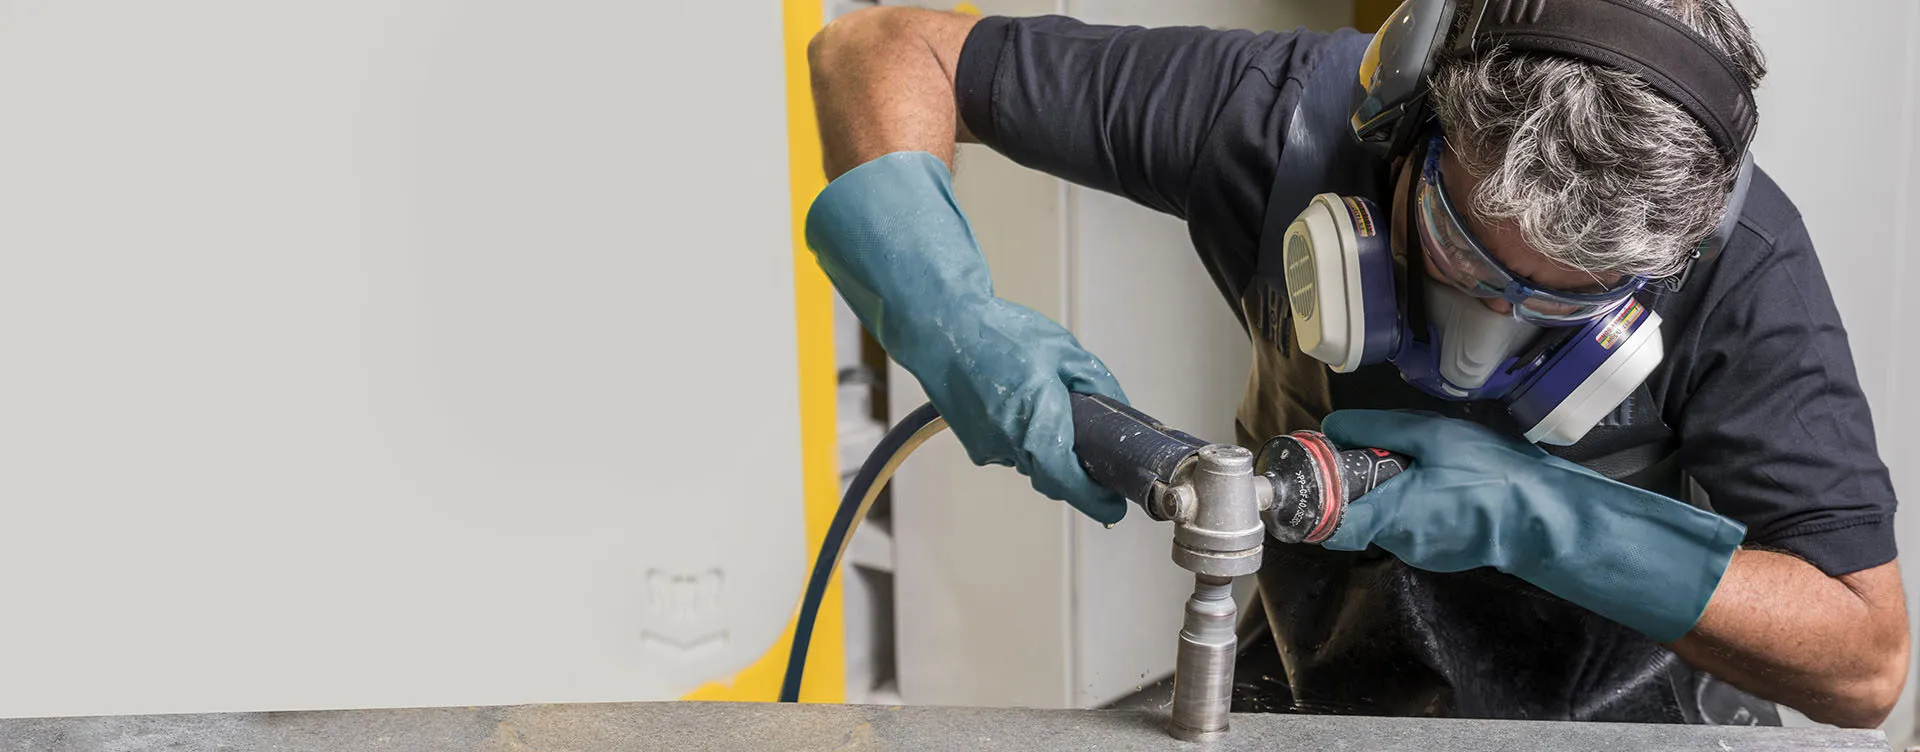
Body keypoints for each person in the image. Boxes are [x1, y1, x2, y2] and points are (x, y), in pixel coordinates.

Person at [802, 0, 1908, 728]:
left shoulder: (1739, 263)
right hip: (1320, 677)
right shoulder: (1276, 119)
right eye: (1464, 253)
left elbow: (1865, 659)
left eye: (1559, 304)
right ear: (1409, 120)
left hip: (1631, 711)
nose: (1487, 339)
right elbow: (880, 48)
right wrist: (954, 316)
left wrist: (1542, 515)